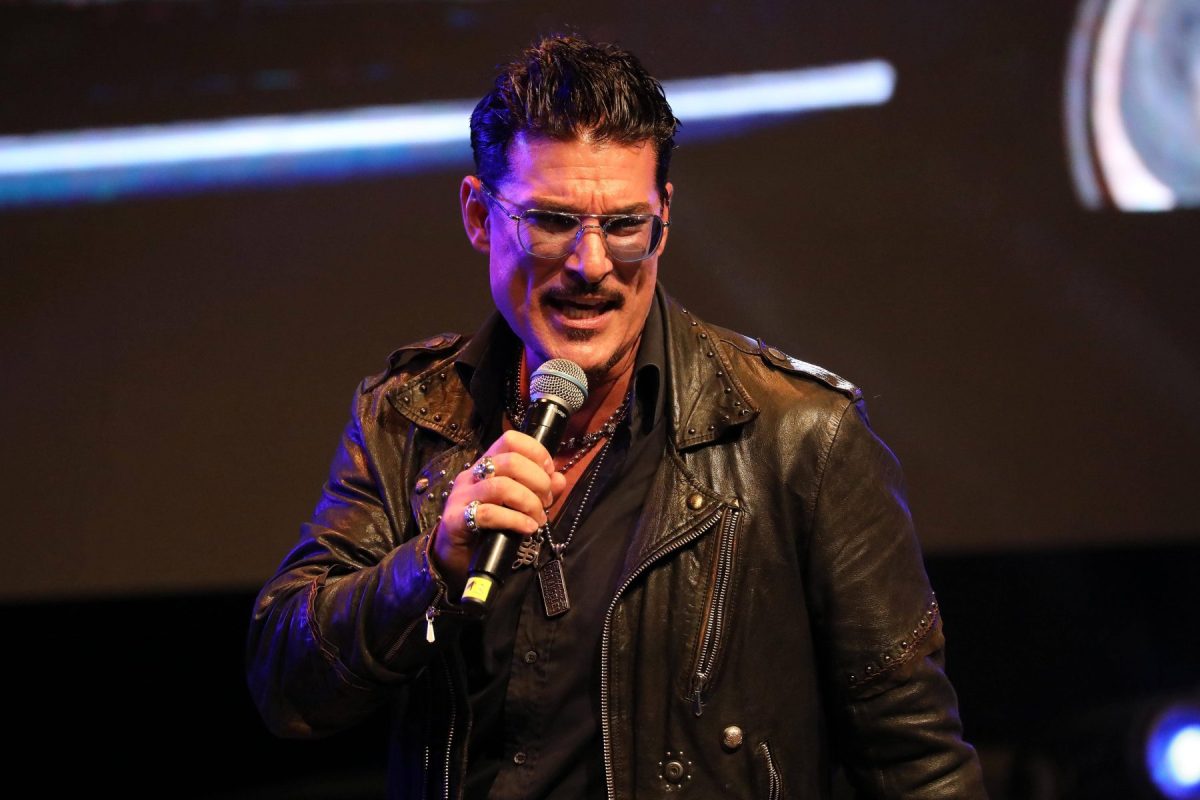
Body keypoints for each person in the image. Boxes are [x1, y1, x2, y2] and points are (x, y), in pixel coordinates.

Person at [247, 35, 987, 800]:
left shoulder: (800, 437)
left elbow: (919, 766)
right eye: (552, 220)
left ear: (663, 217)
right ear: (478, 214)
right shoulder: (411, 416)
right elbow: (286, 683)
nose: (592, 265)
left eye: (625, 225)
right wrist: (429, 568)